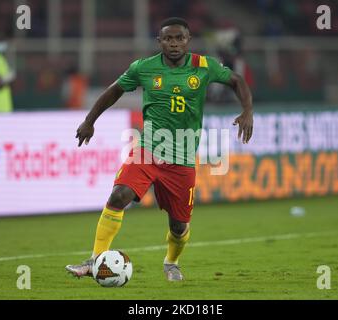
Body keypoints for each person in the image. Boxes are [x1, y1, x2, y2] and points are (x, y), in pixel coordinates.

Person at [65, 17, 254, 281]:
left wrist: (247, 110)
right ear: (159, 41)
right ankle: (95, 258)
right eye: (168, 38)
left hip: (183, 158)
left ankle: (171, 262)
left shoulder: (203, 66)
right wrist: (89, 121)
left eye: (179, 38)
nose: (174, 43)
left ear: (188, 40)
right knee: (119, 196)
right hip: (148, 150)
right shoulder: (144, 68)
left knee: (179, 227)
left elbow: (236, 80)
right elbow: (114, 90)